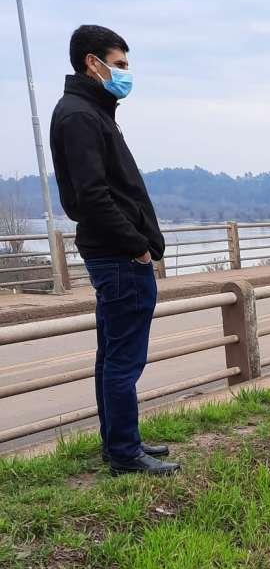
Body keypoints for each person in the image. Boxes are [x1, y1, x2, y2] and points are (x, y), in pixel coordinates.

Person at [50, 24, 178, 476]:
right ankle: (125, 452)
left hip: (114, 253)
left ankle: (120, 442)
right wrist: (137, 246)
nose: (126, 73)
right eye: (119, 64)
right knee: (124, 359)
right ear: (93, 62)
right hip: (118, 256)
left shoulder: (91, 111)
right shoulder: (81, 116)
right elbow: (92, 196)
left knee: (112, 355)